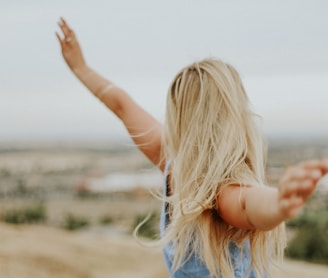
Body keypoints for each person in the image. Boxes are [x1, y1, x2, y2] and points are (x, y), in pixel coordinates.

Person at [56, 17, 328, 278]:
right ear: (236, 118)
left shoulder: (196, 177)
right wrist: (279, 202)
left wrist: (82, 68)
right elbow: (248, 206)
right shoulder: (199, 178)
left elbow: (249, 206)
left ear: (180, 117)